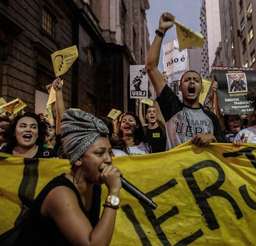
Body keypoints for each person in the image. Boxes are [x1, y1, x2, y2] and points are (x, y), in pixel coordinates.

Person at [12, 109, 122, 245]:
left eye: (110, 152)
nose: (108, 159)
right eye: (99, 153)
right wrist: (114, 193)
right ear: (77, 159)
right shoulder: (60, 194)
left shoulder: (94, 186)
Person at [146, 12, 224, 149]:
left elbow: (224, 145)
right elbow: (151, 67)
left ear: (201, 88)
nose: (192, 82)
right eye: (187, 80)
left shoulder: (211, 117)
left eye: (196, 80)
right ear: (181, 88)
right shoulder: (172, 106)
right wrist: (161, 31)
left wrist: (212, 137)